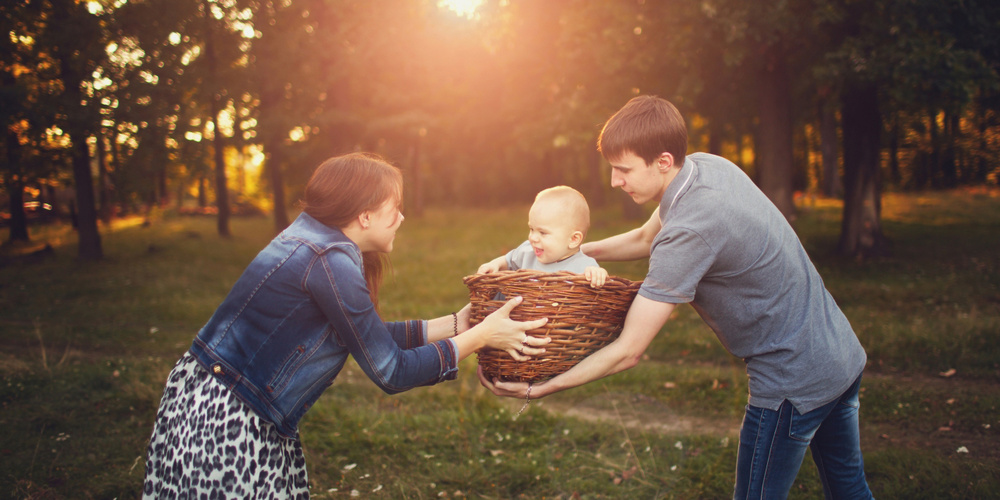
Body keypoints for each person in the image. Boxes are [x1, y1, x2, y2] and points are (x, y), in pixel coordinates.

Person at [479, 96, 874, 499]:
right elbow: (644, 237)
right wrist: (570, 256)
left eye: (624, 169)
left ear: (663, 161)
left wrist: (540, 389)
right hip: (839, 354)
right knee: (849, 490)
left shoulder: (689, 231)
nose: (616, 181)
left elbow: (629, 350)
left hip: (793, 380)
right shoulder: (706, 166)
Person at [142, 152, 549, 499]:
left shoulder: (315, 239)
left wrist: (457, 324)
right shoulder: (329, 261)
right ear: (366, 214)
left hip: (210, 398)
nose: (402, 217)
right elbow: (390, 371)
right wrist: (481, 337)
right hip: (228, 419)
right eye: (395, 208)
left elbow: (362, 336)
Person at [477, 185, 608, 288]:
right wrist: (494, 264)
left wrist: (598, 274)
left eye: (543, 232)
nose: (533, 238)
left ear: (573, 239)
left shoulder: (584, 267)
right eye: (531, 229)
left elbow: (602, 284)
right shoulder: (528, 251)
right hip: (519, 315)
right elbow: (508, 261)